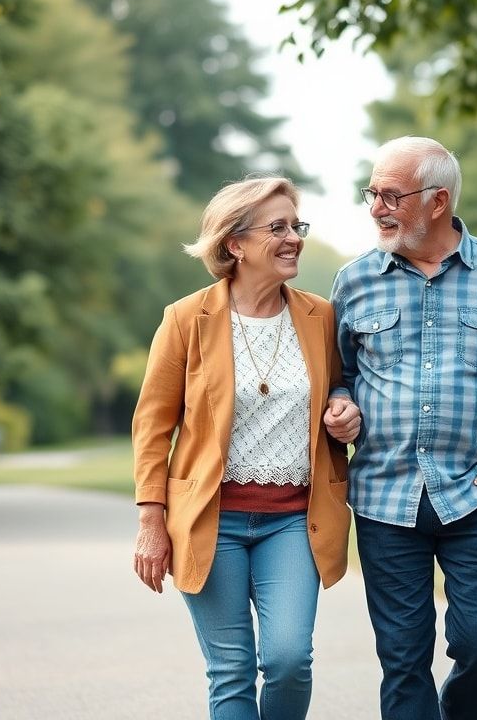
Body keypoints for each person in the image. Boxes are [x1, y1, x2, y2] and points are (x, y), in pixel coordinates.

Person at [323, 136, 477, 720]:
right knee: (403, 659)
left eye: (391, 195)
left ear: (438, 201)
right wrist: (341, 405)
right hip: (386, 498)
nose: (376, 207)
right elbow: (340, 373)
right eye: (372, 193)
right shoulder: (354, 281)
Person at [131, 175, 359, 720]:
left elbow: (342, 384)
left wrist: (345, 409)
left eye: (296, 226)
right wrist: (150, 521)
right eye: (277, 228)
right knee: (231, 670)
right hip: (211, 519)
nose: (293, 238)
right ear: (234, 243)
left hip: (294, 521)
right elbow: (152, 425)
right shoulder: (186, 319)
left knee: (287, 659)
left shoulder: (321, 316)